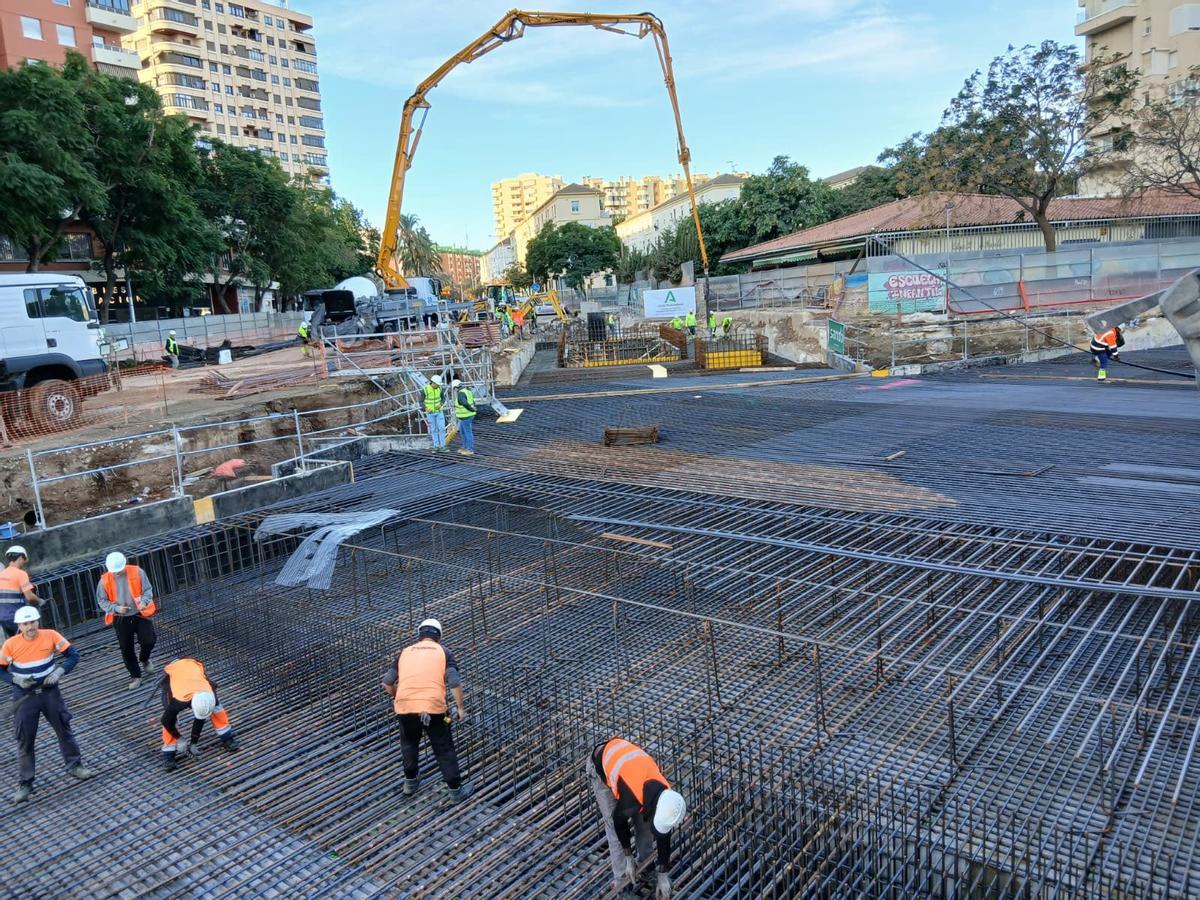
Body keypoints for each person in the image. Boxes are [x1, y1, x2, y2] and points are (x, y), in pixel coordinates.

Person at [0, 606, 96, 802]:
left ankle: (75, 766)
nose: (30, 627)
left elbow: (73, 655)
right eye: (25, 624)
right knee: (25, 738)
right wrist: (15, 680)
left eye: (33, 622)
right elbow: (0, 670)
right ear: (19, 625)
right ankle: (25, 783)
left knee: (64, 728)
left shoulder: (50, 635)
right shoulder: (10, 645)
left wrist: (59, 672)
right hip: (24, 696)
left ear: (38, 621)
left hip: (49, 692)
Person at [382, 618, 469, 801]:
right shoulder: (444, 652)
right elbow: (454, 681)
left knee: (409, 744)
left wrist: (400, 696)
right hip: (434, 708)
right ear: (439, 636)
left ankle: (410, 783)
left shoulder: (404, 652)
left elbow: (387, 682)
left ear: (420, 635)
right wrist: (460, 708)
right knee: (443, 748)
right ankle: (456, 791)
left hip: (405, 707)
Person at [589, 736, 686, 898]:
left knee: (644, 826)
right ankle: (621, 883)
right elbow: (619, 823)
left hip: (629, 770)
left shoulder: (666, 795)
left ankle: (647, 868)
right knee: (614, 830)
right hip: (601, 766)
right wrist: (628, 857)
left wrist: (663, 873)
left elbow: (664, 834)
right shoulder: (630, 800)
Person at [158, 657, 240, 772]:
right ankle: (168, 755)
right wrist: (179, 738)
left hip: (192, 665)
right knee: (171, 719)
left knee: (217, 709)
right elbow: (165, 720)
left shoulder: (210, 694)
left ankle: (227, 737)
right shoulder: (179, 700)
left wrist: (193, 743)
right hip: (176, 670)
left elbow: (200, 717)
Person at [94, 551, 157, 690]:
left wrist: (144, 602)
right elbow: (101, 601)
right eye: (113, 571)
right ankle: (135, 675)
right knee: (126, 648)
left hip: (140, 614)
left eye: (118, 570)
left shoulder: (137, 572)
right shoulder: (104, 581)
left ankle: (144, 659)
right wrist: (116, 608)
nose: (116, 573)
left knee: (149, 640)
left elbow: (148, 590)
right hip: (120, 618)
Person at [0, 546, 42, 639]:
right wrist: (39, 601)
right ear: (20, 557)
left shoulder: (2, 574)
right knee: (29, 642)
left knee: (17, 644)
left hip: (3, 618)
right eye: (23, 560)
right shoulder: (21, 574)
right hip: (17, 618)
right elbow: (30, 597)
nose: (23, 563)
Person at [423, 374, 448, 453]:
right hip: (430, 414)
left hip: (439, 412)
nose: (438, 386)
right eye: (437, 384)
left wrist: (440, 404)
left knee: (441, 429)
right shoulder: (425, 390)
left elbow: (443, 399)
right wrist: (426, 408)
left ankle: (443, 446)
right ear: (433, 383)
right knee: (433, 430)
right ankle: (436, 446)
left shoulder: (440, 389)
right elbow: (420, 402)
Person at [453, 378, 476, 457]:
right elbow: (473, 401)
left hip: (466, 416)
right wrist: (473, 409)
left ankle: (470, 449)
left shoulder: (461, 393)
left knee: (467, 432)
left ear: (455, 387)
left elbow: (464, 403)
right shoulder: (467, 391)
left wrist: (471, 409)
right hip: (466, 416)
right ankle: (464, 447)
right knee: (463, 432)